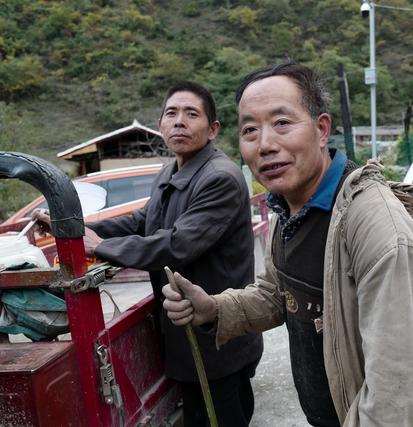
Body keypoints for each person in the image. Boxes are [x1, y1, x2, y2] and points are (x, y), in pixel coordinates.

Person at [162, 64, 413, 426]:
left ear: (322, 130)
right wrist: (214, 309)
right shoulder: (292, 209)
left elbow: (396, 394)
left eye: (282, 123)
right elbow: (279, 294)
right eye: (250, 130)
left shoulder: (380, 232)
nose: (265, 145)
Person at [35, 81, 262, 427]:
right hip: (188, 337)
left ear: (213, 129)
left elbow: (177, 244)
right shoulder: (170, 171)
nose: (179, 121)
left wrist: (103, 247)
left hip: (216, 337)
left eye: (191, 114)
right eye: (171, 113)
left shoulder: (220, 177)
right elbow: (144, 221)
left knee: (221, 416)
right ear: (160, 126)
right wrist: (74, 229)